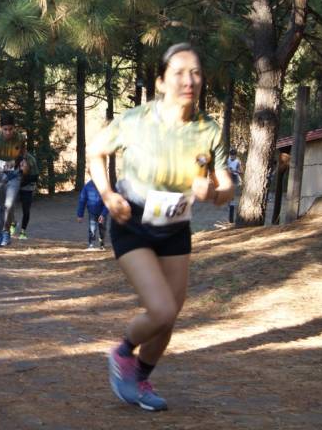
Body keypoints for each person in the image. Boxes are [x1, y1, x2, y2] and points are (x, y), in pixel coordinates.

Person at [87, 43, 234, 412]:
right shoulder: (136, 120)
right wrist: (107, 194)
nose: (189, 81)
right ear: (161, 82)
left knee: (169, 317)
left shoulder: (208, 129)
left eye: (196, 72)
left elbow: (226, 185)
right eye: (179, 73)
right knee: (162, 309)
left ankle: (139, 378)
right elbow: (96, 151)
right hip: (132, 220)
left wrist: (214, 191)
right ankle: (122, 353)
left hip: (175, 227)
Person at [0, 113, 25, 247]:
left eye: (10, 129)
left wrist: (23, 161)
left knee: (9, 204)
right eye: (5, 129)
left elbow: (23, 152)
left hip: (14, 175)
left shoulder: (20, 137)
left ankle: (6, 232)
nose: (8, 132)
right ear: (1, 128)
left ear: (14, 128)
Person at [76, 179, 109, 250]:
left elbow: (108, 202)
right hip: (92, 212)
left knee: (102, 229)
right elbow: (82, 201)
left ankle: (102, 244)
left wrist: (103, 214)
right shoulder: (87, 186)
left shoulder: (104, 186)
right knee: (92, 229)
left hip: (102, 212)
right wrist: (80, 215)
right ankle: (91, 244)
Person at [12, 152, 38, 240]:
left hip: (27, 188)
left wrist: (22, 183)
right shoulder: (12, 156)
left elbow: (35, 177)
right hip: (15, 186)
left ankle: (23, 231)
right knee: (8, 206)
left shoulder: (31, 159)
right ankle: (13, 223)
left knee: (26, 210)